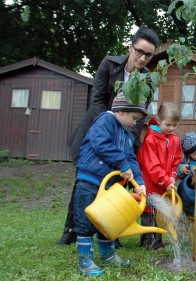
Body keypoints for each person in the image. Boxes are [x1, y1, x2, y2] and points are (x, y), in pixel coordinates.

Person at [57, 27, 160, 246]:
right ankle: (71, 229)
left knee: (117, 183)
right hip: (97, 128)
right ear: (130, 47)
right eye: (139, 51)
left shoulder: (148, 81)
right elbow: (97, 100)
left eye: (148, 55)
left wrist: (125, 137)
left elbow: (140, 116)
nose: (142, 58)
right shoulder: (109, 64)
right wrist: (107, 127)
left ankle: (111, 230)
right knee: (84, 183)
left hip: (126, 135)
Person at [73, 93, 147, 276]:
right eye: (134, 118)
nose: (135, 123)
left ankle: (107, 255)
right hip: (90, 179)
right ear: (120, 111)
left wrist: (138, 181)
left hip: (109, 184)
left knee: (109, 219)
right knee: (86, 220)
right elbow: (101, 144)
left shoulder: (126, 134)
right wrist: (121, 163)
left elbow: (131, 158)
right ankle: (85, 260)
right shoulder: (105, 121)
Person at [136, 102, 182, 250]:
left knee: (160, 213)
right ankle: (149, 243)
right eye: (168, 125)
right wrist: (165, 180)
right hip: (150, 184)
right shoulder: (151, 139)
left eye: (175, 125)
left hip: (165, 184)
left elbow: (177, 160)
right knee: (149, 212)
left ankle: (158, 241)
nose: (171, 128)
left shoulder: (174, 139)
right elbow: (152, 166)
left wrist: (173, 176)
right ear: (158, 120)